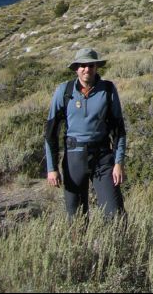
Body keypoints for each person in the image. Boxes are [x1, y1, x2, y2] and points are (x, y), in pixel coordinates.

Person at [45, 47, 127, 219]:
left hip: (103, 158)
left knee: (115, 215)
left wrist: (118, 163)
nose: (87, 69)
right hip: (74, 157)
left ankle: (118, 245)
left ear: (96, 67)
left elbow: (119, 130)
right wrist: (52, 168)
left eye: (91, 65)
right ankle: (80, 246)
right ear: (76, 68)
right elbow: (51, 133)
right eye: (82, 65)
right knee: (76, 217)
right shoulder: (64, 91)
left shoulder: (108, 90)